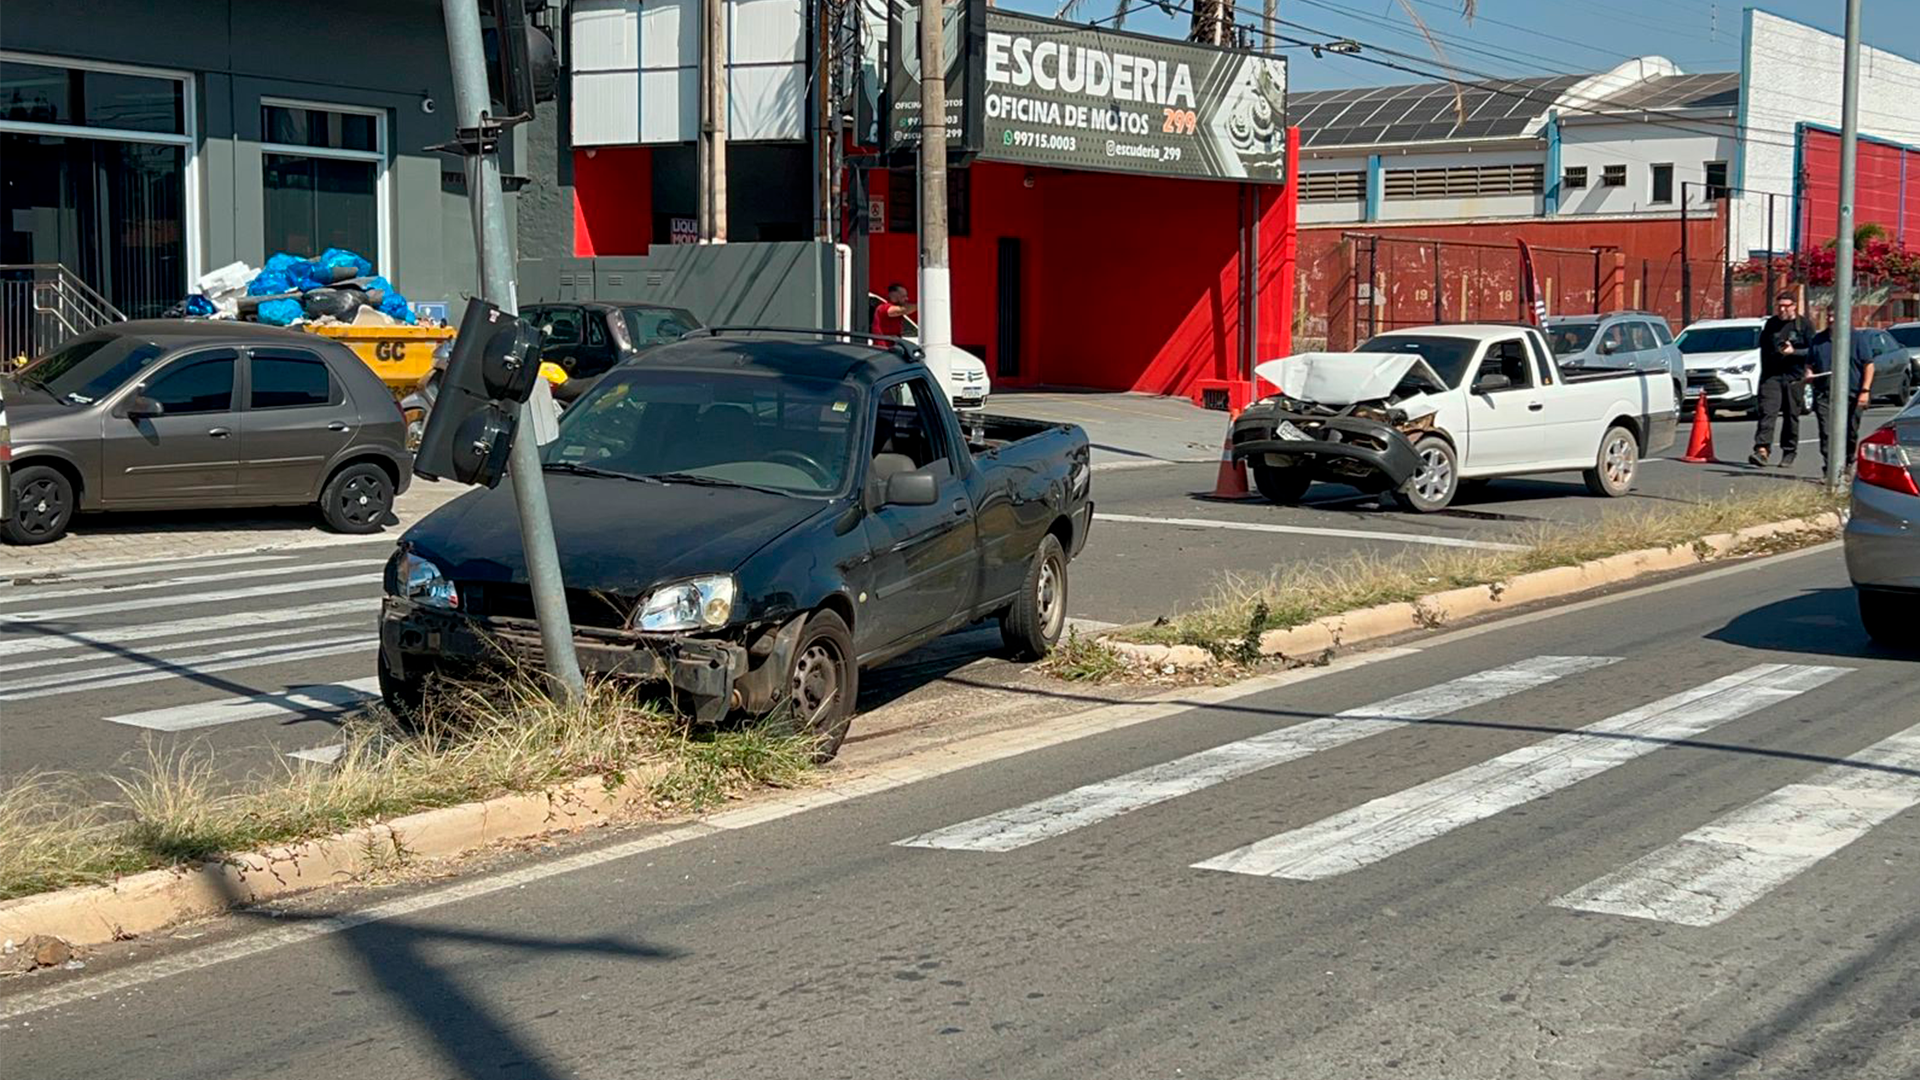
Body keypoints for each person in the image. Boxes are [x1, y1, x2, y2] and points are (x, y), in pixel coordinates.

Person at [1807, 312, 1875, 479]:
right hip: (1825, 393)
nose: (1831, 319)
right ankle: (1830, 468)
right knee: (1826, 431)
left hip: (1852, 394)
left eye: (1834, 316)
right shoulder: (1818, 339)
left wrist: (1865, 391)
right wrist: (1808, 373)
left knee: (1850, 431)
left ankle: (1847, 461)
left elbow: (1868, 365)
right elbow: (1809, 363)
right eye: (1829, 316)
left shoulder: (1857, 338)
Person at [1751, 291, 1814, 468]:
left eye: (1786, 305)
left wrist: (1794, 352)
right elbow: (1764, 346)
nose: (1782, 309)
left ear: (1794, 306)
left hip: (1794, 376)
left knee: (1791, 415)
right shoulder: (1771, 324)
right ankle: (1762, 450)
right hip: (1772, 375)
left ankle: (1789, 451)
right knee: (1767, 412)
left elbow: (1812, 350)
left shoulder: (1804, 325)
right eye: (1780, 306)